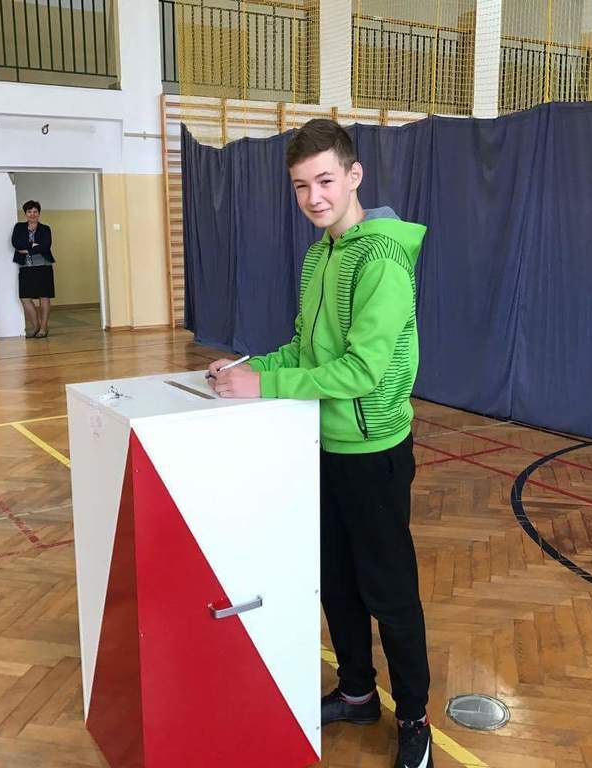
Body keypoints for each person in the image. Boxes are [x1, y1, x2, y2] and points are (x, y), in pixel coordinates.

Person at [207, 118, 432, 768]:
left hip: (374, 453)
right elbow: (305, 352)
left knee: (389, 592)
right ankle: (358, 693)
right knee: (336, 580)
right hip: (320, 447)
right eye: (301, 186)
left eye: (325, 181)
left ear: (354, 176)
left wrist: (265, 387)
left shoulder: (381, 258)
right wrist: (247, 367)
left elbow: (361, 371)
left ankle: (413, 719)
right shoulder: (319, 256)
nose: (314, 197)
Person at [11, 200, 55, 338]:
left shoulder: (45, 229)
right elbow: (16, 243)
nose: (32, 214)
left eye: (35, 211)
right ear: (25, 213)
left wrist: (27, 249)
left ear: (39, 213)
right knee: (25, 297)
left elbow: (45, 246)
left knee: (44, 296)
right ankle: (36, 326)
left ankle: (44, 328)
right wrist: (34, 246)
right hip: (25, 266)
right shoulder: (19, 227)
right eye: (29, 211)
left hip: (43, 266)